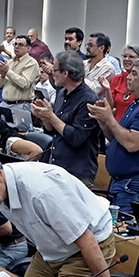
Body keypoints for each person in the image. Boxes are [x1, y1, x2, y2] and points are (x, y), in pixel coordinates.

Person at [88, 56, 139, 207]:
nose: (129, 77)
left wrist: (110, 118)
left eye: (134, 73)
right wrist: (104, 122)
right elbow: (117, 138)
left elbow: (132, 144)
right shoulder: (138, 101)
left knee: (124, 229)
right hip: (123, 182)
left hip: (136, 186)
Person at [33, 50, 100, 186]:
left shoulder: (89, 100)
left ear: (65, 73)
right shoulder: (62, 93)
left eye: (55, 70)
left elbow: (76, 138)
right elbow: (52, 131)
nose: (52, 73)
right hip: (57, 166)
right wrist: (45, 116)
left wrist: (51, 116)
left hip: (76, 172)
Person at [0, 34, 38, 114]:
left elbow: (25, 84)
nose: (17, 47)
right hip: (4, 103)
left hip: (20, 105)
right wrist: (3, 75)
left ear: (28, 48)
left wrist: (8, 71)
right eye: (15, 44)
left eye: (21, 45)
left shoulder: (31, 63)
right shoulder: (10, 62)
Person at [108, 44, 139, 121]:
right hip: (115, 126)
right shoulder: (117, 79)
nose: (126, 59)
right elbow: (111, 106)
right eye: (124, 56)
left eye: (131, 57)